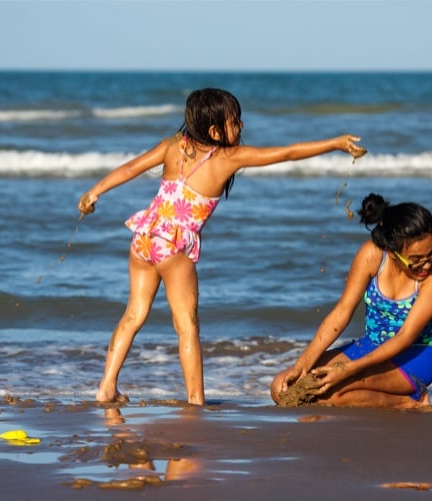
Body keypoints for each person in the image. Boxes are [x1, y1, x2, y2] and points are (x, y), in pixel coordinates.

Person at [78, 88, 365, 405]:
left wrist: (95, 192)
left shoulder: (174, 145)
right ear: (215, 130)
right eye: (235, 121)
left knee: (133, 314)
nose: (241, 127)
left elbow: (132, 168)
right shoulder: (228, 158)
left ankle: (107, 387)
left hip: (144, 236)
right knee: (187, 324)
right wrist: (334, 144)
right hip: (173, 247)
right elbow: (287, 153)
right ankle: (196, 400)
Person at [271, 193, 432, 409]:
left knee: (331, 394)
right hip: (371, 346)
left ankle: (409, 401)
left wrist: (348, 370)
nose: (427, 265)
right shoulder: (372, 255)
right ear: (393, 252)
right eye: (416, 260)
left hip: (414, 357)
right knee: (281, 388)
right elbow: (342, 312)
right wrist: (301, 365)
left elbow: (405, 337)